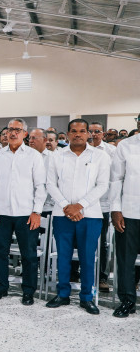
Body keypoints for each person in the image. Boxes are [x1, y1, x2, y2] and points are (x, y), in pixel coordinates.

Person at [44, 119, 110, 315]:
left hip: (90, 215)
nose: (78, 134)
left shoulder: (100, 156)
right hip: (62, 214)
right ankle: (62, 294)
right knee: (63, 256)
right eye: (74, 131)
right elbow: (50, 184)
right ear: (68, 134)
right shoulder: (57, 156)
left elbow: (102, 185)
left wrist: (79, 206)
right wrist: (67, 206)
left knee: (87, 258)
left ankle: (86, 297)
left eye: (82, 131)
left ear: (88, 133)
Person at [0, 118, 46, 305]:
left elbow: (40, 186)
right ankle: (1, 287)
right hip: (1, 213)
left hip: (26, 213)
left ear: (25, 134)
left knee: (28, 254)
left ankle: (28, 291)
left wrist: (37, 212)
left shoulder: (33, 156)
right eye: (10, 129)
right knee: (0, 252)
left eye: (17, 130)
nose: (12, 133)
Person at [109, 112, 140, 318]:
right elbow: (116, 179)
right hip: (129, 212)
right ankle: (127, 300)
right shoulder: (126, 145)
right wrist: (115, 209)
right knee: (125, 260)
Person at [89, 122, 116, 292]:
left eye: (97, 131)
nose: (93, 134)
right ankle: (75, 273)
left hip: (102, 204)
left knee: (102, 242)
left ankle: (102, 277)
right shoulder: (79, 149)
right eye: (90, 131)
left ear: (103, 134)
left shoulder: (111, 151)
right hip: (81, 204)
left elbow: (114, 178)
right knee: (79, 240)